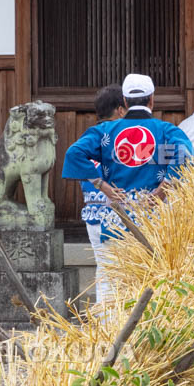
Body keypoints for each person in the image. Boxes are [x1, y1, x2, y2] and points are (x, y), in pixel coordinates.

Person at [62, 74, 193, 305]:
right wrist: (163, 189)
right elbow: (186, 157)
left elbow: (74, 153)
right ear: (152, 100)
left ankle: (111, 334)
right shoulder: (166, 131)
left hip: (115, 217)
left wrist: (102, 186)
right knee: (154, 278)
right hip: (155, 217)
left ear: (124, 100)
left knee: (110, 277)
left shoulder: (104, 133)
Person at [79, 85, 126, 305]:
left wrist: (98, 183)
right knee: (119, 272)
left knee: (105, 269)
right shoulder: (120, 138)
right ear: (121, 110)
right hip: (118, 216)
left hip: (93, 213)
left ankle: (105, 323)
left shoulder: (90, 137)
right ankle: (113, 325)